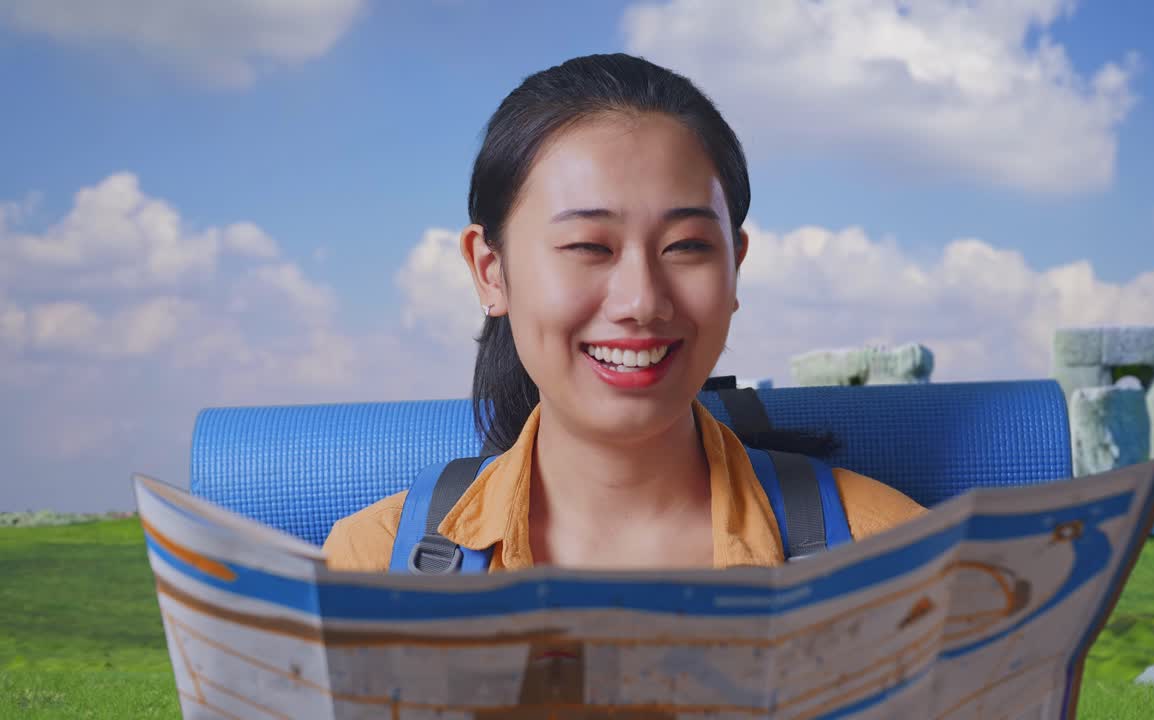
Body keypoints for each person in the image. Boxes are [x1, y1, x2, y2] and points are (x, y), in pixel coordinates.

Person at [323, 53, 925, 573]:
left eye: (686, 247)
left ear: (735, 266)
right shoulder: (368, 565)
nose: (641, 302)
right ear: (490, 270)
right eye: (589, 247)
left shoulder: (895, 554)